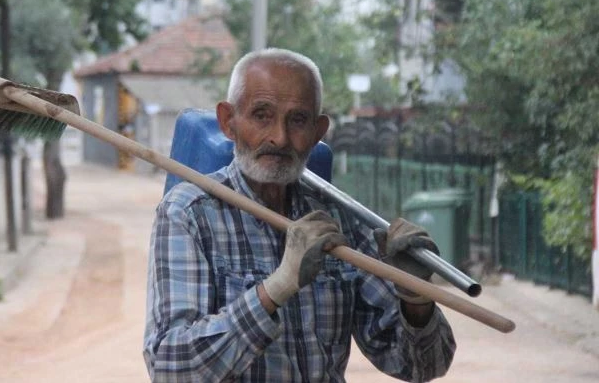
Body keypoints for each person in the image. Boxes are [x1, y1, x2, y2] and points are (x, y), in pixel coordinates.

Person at [143, 48, 456, 382]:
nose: (279, 137)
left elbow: (422, 367)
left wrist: (416, 297)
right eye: (262, 115)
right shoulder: (189, 213)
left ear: (318, 131)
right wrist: (277, 287)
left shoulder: (338, 217)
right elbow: (171, 369)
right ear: (228, 122)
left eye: (298, 120)